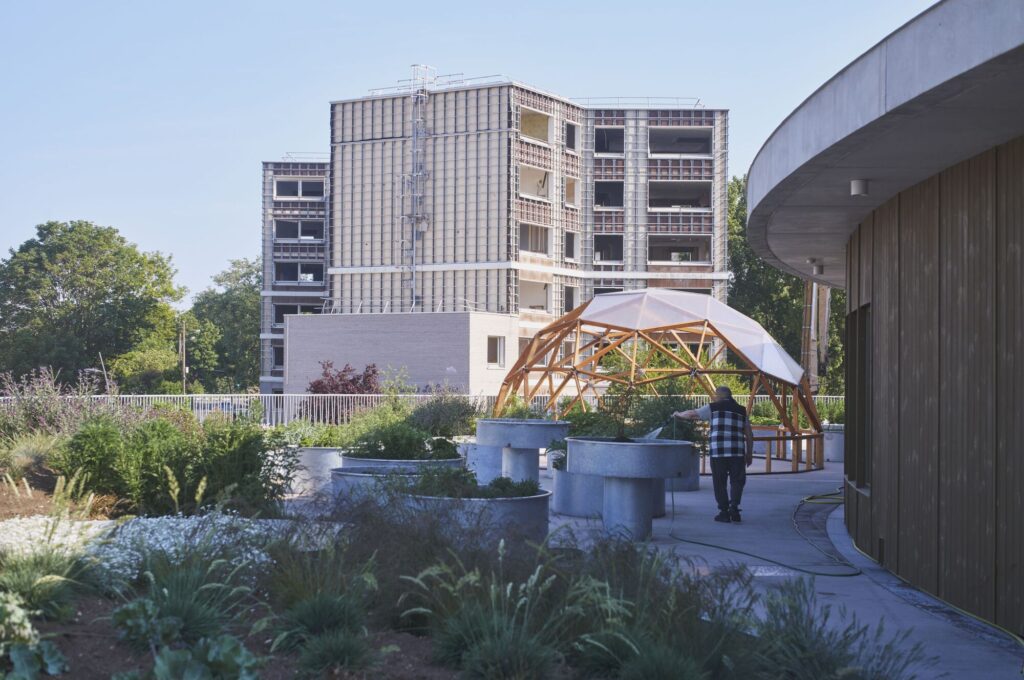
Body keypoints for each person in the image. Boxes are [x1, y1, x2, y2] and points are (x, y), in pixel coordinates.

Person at [673, 386, 754, 523]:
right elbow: (749, 434)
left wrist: (678, 414)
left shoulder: (714, 407)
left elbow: (693, 414)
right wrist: (749, 454)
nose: (714, 397)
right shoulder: (741, 410)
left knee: (719, 482)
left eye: (716, 395)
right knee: (737, 481)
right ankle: (734, 508)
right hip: (737, 452)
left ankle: (723, 512)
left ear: (719, 395)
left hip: (719, 452)